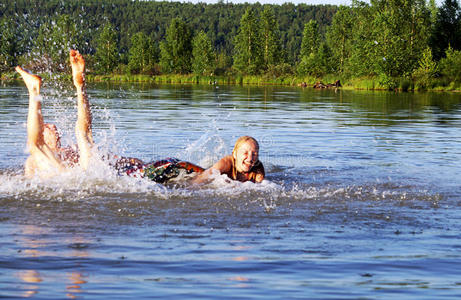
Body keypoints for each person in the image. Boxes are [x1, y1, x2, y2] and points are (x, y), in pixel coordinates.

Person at [193, 136, 265, 184]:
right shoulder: (225, 163)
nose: (250, 158)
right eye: (245, 153)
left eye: (254, 154)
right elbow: (197, 182)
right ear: (235, 154)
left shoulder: (258, 170)